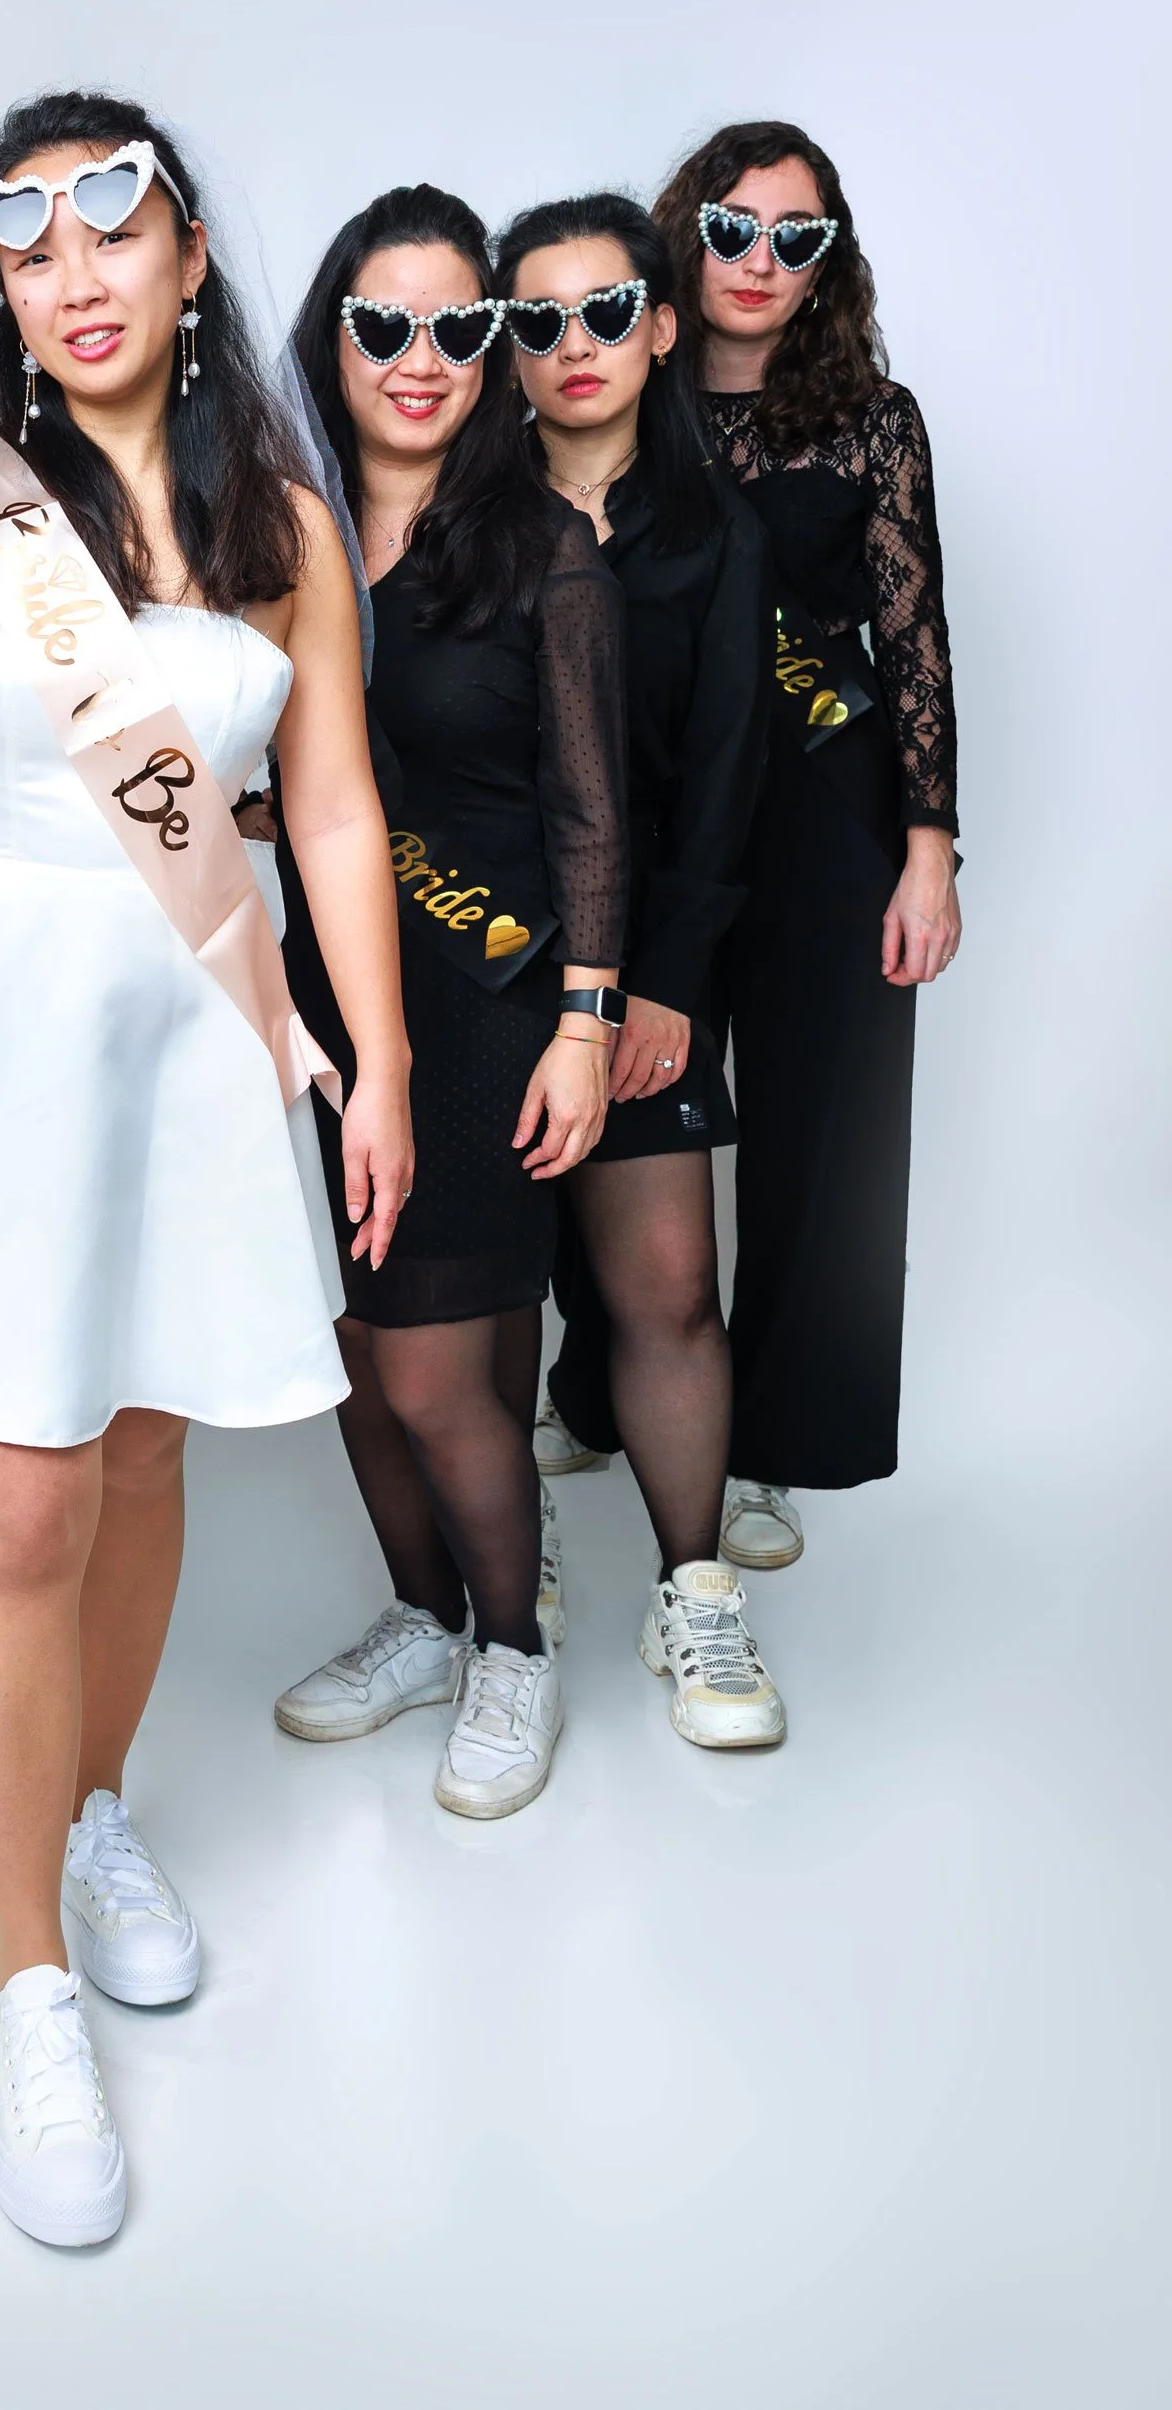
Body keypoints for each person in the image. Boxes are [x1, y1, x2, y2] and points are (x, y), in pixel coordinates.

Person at [0, 94, 413, 2249]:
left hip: (198, 1027)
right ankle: (25, 1965)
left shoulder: (284, 518)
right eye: (27, 242)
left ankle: (101, 1803)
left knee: (141, 1454)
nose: (72, 270)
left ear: (188, 251)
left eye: (107, 227)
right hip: (4, 1020)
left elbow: (324, 811)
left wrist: (383, 1060)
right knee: (19, 1487)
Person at [271, 188, 627, 1809]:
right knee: (363, 1348)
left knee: (436, 1368)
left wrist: (584, 1023)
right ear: (330, 339)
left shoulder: (546, 548)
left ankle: (515, 1655)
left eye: (458, 329)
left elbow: (594, 812)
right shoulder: (277, 535)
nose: (420, 360)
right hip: (323, 1001)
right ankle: (430, 1619)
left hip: (492, 998)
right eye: (383, 325)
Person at [494, 192, 783, 1747]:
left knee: (664, 1283)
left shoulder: (715, 537)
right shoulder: (455, 522)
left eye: (608, 311)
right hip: (477, 964)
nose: (576, 346)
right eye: (536, 321)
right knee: (478, 1297)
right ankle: (497, 1572)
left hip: (649, 972)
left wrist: (661, 984)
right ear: (502, 347)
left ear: (664, 325)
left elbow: (732, 770)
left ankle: (697, 1594)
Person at [653, 122, 961, 1562]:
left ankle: (776, 1435)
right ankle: (610, 1390)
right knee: (630, 1121)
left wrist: (929, 848)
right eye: (732, 227)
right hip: (652, 826)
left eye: (796, 236)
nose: (759, 260)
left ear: (828, 259)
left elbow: (914, 643)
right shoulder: (616, 398)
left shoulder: (869, 419)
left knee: (817, 1143)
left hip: (829, 827)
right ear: (684, 232)